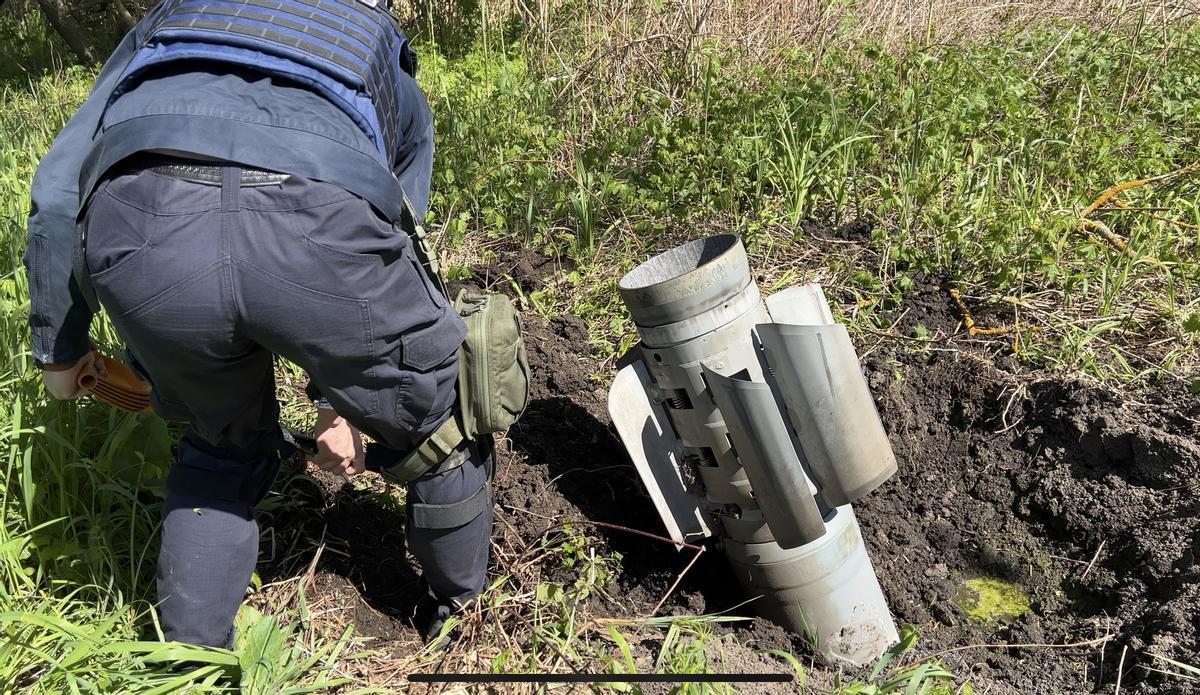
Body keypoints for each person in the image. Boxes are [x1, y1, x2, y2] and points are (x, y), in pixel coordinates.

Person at [24, 0, 492, 649]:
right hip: (320, 224)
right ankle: (463, 618)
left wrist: (60, 348)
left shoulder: (168, 21)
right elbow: (397, 227)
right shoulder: (375, 47)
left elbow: (54, 195)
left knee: (218, 446)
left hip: (143, 229)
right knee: (441, 430)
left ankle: (192, 667)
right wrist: (347, 402)